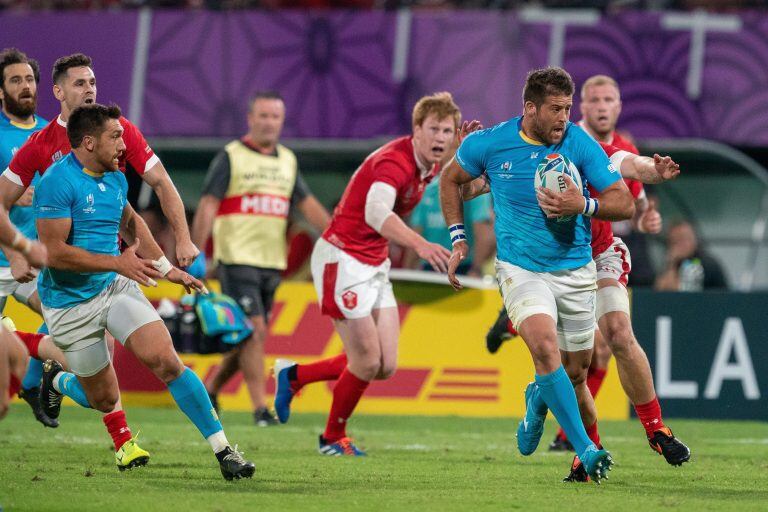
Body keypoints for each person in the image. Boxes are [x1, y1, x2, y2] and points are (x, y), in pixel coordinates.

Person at [33, 103, 254, 479]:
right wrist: (117, 263)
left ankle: (224, 451)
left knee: (166, 361)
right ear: (88, 142)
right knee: (100, 398)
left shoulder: (117, 178)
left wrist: (168, 269)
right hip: (69, 305)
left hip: (113, 288)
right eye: (115, 137)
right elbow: (54, 254)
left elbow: (132, 226)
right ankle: (56, 379)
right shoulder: (57, 182)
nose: (124, 144)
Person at [441, 68, 636, 483]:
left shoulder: (578, 143)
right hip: (520, 269)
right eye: (555, 109)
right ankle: (586, 448)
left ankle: (537, 399)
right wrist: (459, 240)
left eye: (567, 108)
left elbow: (623, 202)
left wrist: (582, 205)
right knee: (545, 349)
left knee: (577, 372)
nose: (564, 117)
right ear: (530, 108)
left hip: (575, 269)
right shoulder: (491, 142)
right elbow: (450, 179)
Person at [271, 92, 470, 456]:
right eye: (434, 129)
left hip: (374, 263)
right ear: (417, 130)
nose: (441, 137)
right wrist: (421, 245)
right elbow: (377, 213)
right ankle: (331, 438)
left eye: (448, 130)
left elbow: (467, 187)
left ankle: (295, 376)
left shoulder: (432, 165)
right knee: (365, 360)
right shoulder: (393, 162)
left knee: (386, 365)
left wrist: (476, 155)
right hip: (342, 259)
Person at [191, 90, 331, 426]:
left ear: (282, 121)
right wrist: (193, 252)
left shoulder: (287, 161)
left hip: (272, 262)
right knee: (254, 331)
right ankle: (260, 408)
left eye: (275, 117)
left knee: (248, 336)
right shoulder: (231, 155)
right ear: (250, 118)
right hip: (236, 258)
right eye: (263, 116)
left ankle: (210, 389)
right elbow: (209, 204)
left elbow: (307, 205)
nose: (269, 123)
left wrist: (341, 238)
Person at [0, 47, 56, 427]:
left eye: (29, 79)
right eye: (15, 80)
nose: (25, 86)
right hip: (7, 254)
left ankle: (33, 383)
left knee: (65, 317)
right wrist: (13, 249)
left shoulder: (51, 134)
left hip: (35, 258)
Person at [407, 176, 494, 276]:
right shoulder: (428, 190)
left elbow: (485, 236)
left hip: (451, 268)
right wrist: (476, 269)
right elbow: (485, 236)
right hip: (455, 268)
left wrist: (408, 270)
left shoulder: (427, 189)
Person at [655, 220, 727, 291]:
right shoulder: (673, 262)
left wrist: (671, 263)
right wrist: (671, 264)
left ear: (694, 239)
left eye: (683, 239)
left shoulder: (701, 262)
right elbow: (660, 290)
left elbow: (679, 291)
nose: (680, 245)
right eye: (675, 241)